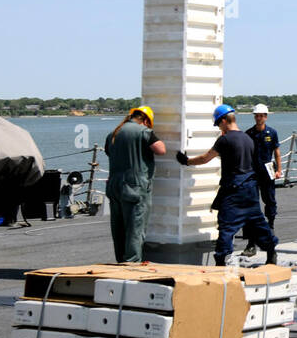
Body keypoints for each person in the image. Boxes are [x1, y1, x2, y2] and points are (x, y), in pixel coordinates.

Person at [177, 104, 278, 265]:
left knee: (226, 226)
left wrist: (186, 161)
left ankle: (221, 260)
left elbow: (205, 158)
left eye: (218, 124)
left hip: (233, 190)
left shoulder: (225, 140)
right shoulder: (248, 138)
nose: (218, 127)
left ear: (224, 120)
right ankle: (271, 252)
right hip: (251, 189)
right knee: (258, 222)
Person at [103, 105, 166, 262]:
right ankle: (132, 262)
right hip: (134, 187)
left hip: (114, 186)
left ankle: (121, 260)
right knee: (135, 228)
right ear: (145, 120)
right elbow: (160, 149)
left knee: (118, 227)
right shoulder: (143, 131)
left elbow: (108, 152)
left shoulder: (113, 133)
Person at [246, 102, 282, 233]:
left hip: (268, 171)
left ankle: (271, 223)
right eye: (256, 116)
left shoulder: (272, 133)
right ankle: (254, 225)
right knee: (252, 199)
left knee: (270, 199)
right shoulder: (249, 133)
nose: (259, 118)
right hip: (253, 172)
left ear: (266, 117)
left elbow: (277, 152)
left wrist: (279, 170)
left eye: (261, 116)